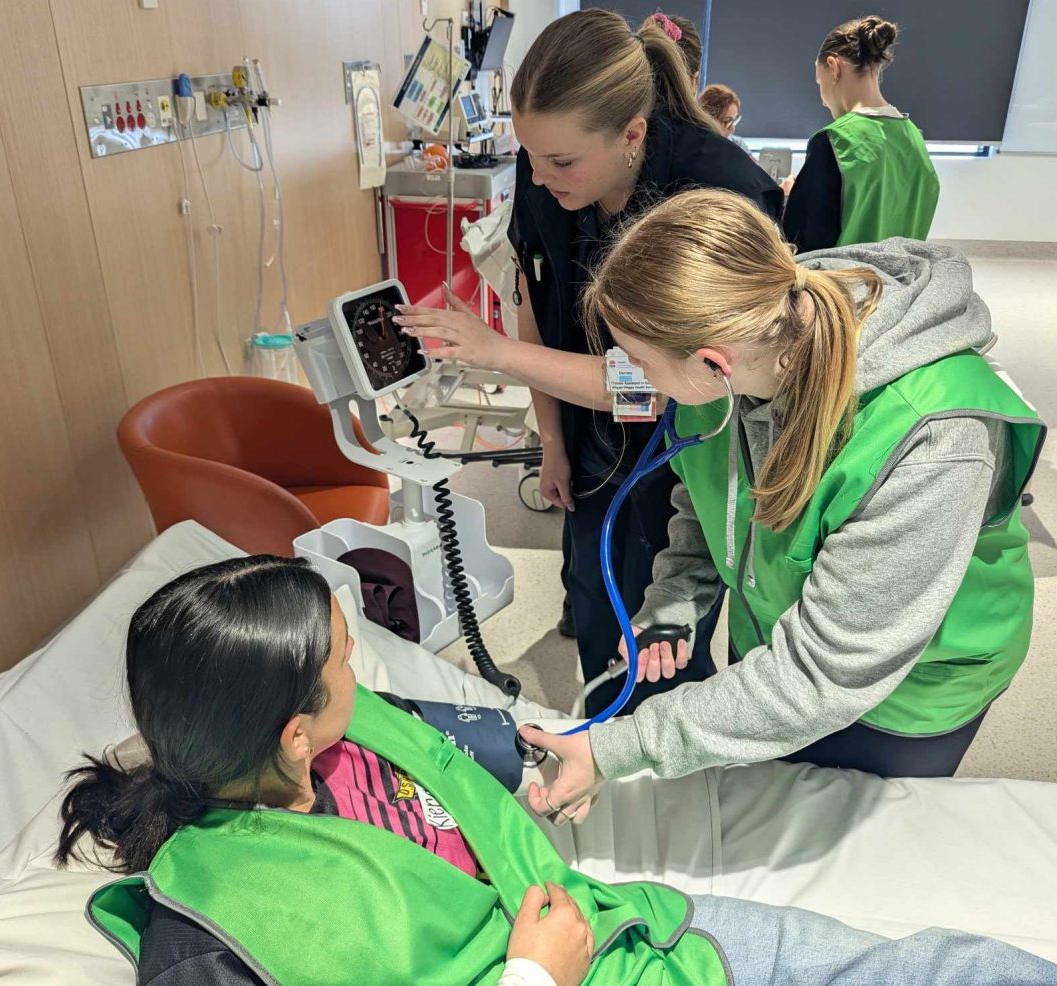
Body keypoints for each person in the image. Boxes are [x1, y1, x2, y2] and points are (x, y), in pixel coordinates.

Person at [59, 555, 1056, 985]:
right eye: (343, 663)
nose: (362, 667)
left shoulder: (354, 737)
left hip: (639, 928)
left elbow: (484, 739)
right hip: (579, 963)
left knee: (937, 965)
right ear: (293, 737)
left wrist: (587, 751)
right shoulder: (212, 943)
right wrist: (535, 974)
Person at [517, 188, 1044, 825]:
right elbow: (707, 494)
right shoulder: (738, 346)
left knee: (855, 845)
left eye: (640, 364)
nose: (632, 378)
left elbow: (823, 676)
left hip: (910, 687)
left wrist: (618, 747)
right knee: (770, 791)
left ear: (712, 362)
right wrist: (678, 600)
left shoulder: (932, 439)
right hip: (779, 631)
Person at [393, 9, 782, 717]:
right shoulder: (546, 167)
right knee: (596, 607)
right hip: (594, 439)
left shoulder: (715, 193)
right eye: (529, 156)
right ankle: (604, 727)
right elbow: (534, 296)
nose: (538, 180)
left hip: (688, 455)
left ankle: (650, 754)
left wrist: (495, 354)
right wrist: (551, 442)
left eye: (561, 162)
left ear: (632, 134)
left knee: (661, 634)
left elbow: (666, 389)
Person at [783, 15, 940, 252]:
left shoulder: (835, 141)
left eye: (819, 83)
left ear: (834, 67)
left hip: (843, 284)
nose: (823, 100)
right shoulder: (913, 137)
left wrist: (791, 198)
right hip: (905, 282)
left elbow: (803, 243)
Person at [699, 83, 750, 153]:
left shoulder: (738, 145)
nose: (732, 129)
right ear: (708, 120)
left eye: (734, 121)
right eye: (726, 122)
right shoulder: (693, 149)